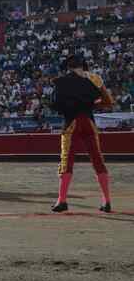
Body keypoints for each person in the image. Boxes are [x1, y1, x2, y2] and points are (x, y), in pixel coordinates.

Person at [50, 55, 115, 213]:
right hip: (89, 122)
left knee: (67, 161)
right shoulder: (92, 80)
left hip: (71, 123)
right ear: (83, 66)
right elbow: (108, 102)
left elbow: (55, 105)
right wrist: (91, 104)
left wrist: (71, 106)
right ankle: (106, 201)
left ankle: (62, 201)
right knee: (97, 159)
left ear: (68, 67)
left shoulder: (60, 82)